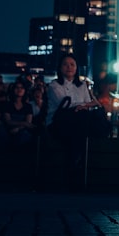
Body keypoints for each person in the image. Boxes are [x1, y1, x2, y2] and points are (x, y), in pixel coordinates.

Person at [46, 54, 102, 190]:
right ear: (60, 67)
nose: (69, 67)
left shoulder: (82, 85)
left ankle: (74, 165)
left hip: (77, 123)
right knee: (81, 117)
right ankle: (76, 164)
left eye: (72, 64)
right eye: (65, 64)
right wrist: (84, 105)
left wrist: (83, 106)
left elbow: (87, 103)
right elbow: (64, 103)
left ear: (76, 68)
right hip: (59, 121)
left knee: (82, 118)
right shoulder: (54, 85)